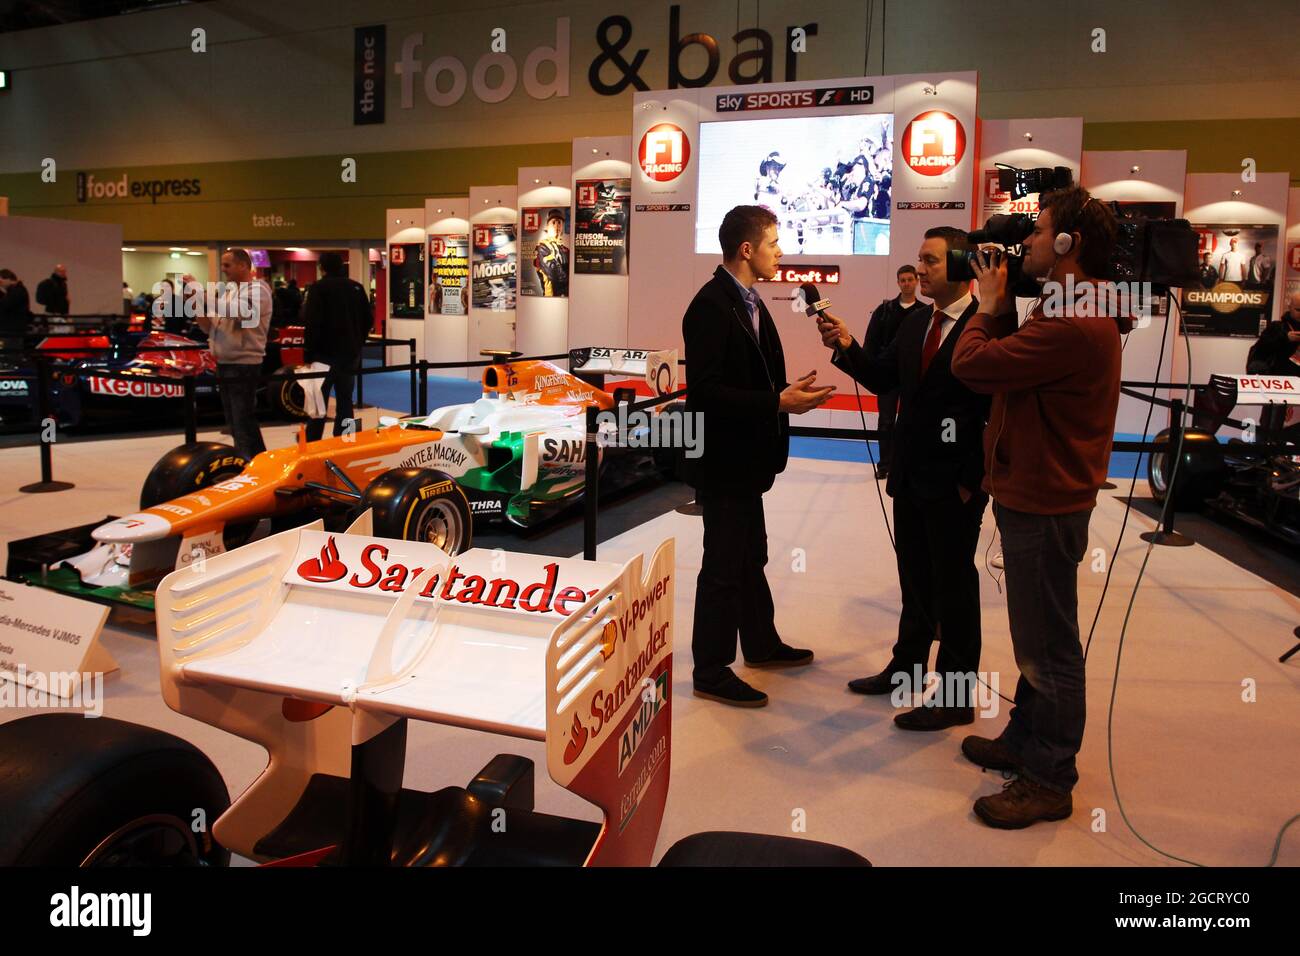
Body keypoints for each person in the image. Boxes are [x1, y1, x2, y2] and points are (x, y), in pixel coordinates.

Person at [951, 185, 1122, 829]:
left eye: (1039, 231)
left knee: (1048, 645)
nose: (1026, 244)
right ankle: (1025, 740)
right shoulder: (1071, 305)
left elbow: (974, 366)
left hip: (1046, 500)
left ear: (1069, 244)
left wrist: (987, 307)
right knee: (1036, 636)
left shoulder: (1075, 318)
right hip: (1037, 492)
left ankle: (1049, 777)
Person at [816, 227, 991, 732]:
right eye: (918, 260)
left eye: (931, 261)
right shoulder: (916, 323)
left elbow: (993, 410)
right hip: (911, 477)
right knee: (914, 577)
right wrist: (847, 344)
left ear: (961, 265)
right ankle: (907, 668)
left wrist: (971, 481)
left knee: (955, 588)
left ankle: (956, 697)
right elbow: (881, 377)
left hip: (955, 484)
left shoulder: (985, 326)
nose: (920, 270)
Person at [683, 204, 834, 708]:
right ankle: (710, 667)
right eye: (774, 243)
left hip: (747, 461)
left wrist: (784, 392)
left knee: (751, 556)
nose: (781, 251)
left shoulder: (748, 299)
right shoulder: (709, 305)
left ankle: (761, 643)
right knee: (723, 564)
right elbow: (704, 393)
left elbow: (746, 377)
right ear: (747, 250)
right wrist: (776, 401)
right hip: (725, 463)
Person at [188, 248, 272, 461]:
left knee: (242, 420)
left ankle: (248, 464)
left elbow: (240, 312)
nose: (223, 270)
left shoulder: (259, 290)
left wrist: (202, 294)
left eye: (227, 265)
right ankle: (254, 461)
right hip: (225, 361)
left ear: (243, 265)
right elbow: (209, 327)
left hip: (244, 363)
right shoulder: (229, 292)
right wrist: (197, 302)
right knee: (236, 421)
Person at [863, 264, 927, 479]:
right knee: (886, 420)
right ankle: (884, 464)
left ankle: (907, 463)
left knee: (911, 420)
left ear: (916, 281)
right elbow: (871, 341)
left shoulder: (925, 312)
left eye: (910, 279)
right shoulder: (885, 310)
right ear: (898, 282)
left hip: (913, 376)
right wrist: (870, 367)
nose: (907, 283)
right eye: (903, 280)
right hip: (888, 376)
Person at [302, 252, 372, 441]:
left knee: (318, 401)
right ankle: (345, 441)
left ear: (322, 267)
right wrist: (358, 342)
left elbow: (312, 323)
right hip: (350, 354)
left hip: (323, 355)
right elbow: (368, 319)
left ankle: (313, 442)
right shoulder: (356, 287)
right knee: (346, 400)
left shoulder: (318, 288)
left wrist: (308, 354)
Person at [1247, 290, 1300, 375]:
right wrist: (1285, 338)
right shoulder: (1276, 327)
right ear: (1289, 307)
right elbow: (1261, 350)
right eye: (1298, 310)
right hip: (1279, 378)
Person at [0, 269, 32, 352]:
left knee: (11, 354)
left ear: (9, 279)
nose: (1, 284)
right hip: (11, 330)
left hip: (12, 330)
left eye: (1, 281)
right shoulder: (15, 291)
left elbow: (5, 305)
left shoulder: (18, 291)